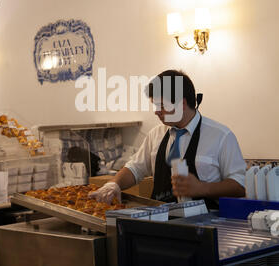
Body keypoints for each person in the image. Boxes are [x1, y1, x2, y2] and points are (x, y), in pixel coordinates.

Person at [89, 69, 246, 209]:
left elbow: (240, 186)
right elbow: (135, 169)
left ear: (182, 103)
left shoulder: (221, 136)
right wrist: (113, 184)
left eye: (161, 106)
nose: (156, 112)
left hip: (206, 228)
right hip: (161, 223)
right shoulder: (155, 134)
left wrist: (203, 188)